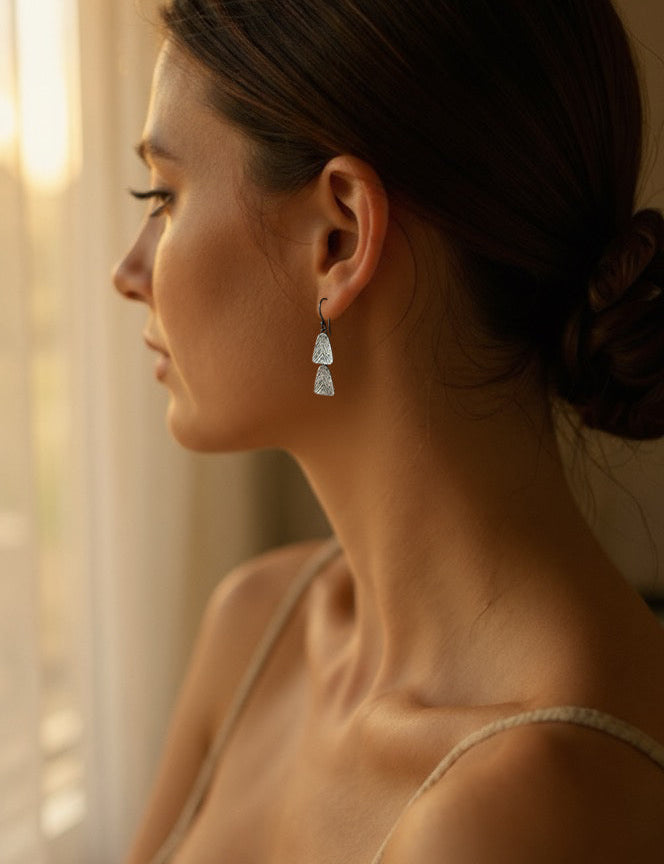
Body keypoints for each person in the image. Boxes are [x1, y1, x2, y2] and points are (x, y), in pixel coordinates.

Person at [113, 0, 664, 860]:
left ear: (339, 238)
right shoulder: (259, 624)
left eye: (165, 195)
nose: (129, 271)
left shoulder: (521, 809)